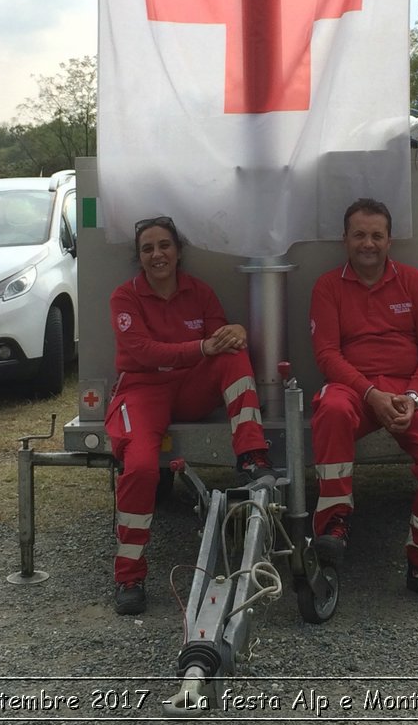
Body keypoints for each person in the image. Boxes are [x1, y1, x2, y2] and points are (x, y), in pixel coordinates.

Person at [104, 215, 274, 615]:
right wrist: (200, 348)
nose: (157, 254)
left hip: (189, 388)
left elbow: (220, 339)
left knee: (234, 353)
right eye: (148, 248)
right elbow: (143, 352)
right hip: (143, 388)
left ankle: (252, 454)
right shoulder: (124, 297)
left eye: (164, 245)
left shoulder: (199, 291)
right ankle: (129, 575)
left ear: (178, 251)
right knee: (142, 468)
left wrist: (235, 332)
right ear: (139, 256)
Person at [309, 197, 418, 605]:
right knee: (331, 409)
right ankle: (333, 527)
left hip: (407, 392)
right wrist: (370, 394)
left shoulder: (413, 281)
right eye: (359, 234)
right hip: (354, 390)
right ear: (345, 239)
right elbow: (326, 355)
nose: (368, 243)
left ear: (390, 240)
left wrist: (412, 396)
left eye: (377, 235)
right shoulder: (327, 287)